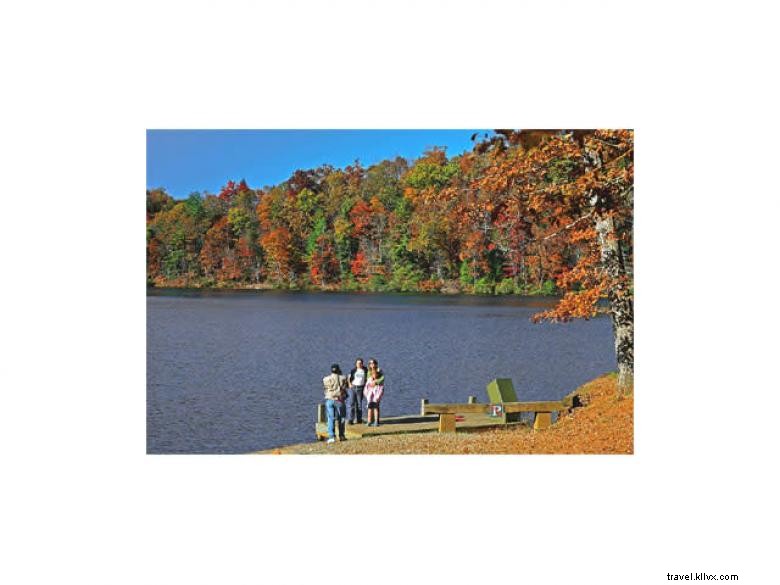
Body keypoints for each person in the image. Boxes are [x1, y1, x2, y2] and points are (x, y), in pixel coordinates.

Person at [323, 363, 348, 444]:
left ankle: (331, 436)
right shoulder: (343, 378)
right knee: (341, 418)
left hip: (330, 399)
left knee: (330, 418)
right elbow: (346, 385)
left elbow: (325, 386)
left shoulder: (326, 379)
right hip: (339, 400)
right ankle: (341, 436)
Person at [363, 358, 385, 427]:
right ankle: (369, 421)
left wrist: (375, 382)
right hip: (370, 392)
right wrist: (370, 383)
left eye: (373, 363)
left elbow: (382, 378)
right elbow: (368, 380)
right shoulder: (368, 371)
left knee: (376, 407)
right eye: (370, 363)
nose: (372, 364)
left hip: (377, 391)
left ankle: (376, 421)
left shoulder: (379, 370)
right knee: (369, 408)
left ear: (376, 364)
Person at [347, 358, 367, 425]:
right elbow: (349, 377)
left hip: (360, 388)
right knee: (351, 404)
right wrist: (349, 384)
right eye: (358, 363)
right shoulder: (353, 370)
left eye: (360, 363)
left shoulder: (365, 370)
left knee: (359, 405)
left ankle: (359, 419)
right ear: (356, 364)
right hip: (353, 388)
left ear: (362, 363)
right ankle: (350, 419)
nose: (359, 364)